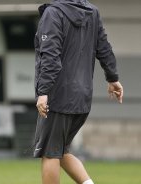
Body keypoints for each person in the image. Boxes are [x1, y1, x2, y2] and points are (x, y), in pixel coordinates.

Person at [33, 0, 123, 184]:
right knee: (61, 151)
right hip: (82, 97)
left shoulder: (53, 13)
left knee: (50, 153)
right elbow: (104, 47)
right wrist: (112, 78)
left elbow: (50, 56)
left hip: (57, 96)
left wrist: (43, 92)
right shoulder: (92, 12)